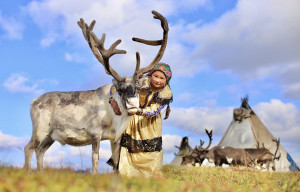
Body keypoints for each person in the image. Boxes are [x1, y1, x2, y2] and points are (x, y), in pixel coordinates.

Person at [107, 62, 173, 177]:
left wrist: (139, 111)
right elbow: (117, 86)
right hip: (132, 120)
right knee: (128, 146)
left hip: (150, 124)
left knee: (150, 151)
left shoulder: (166, 93)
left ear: (166, 80)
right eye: (155, 76)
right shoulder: (141, 81)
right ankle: (126, 174)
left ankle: (150, 177)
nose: (157, 80)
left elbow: (154, 110)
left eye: (162, 78)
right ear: (150, 74)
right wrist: (112, 100)